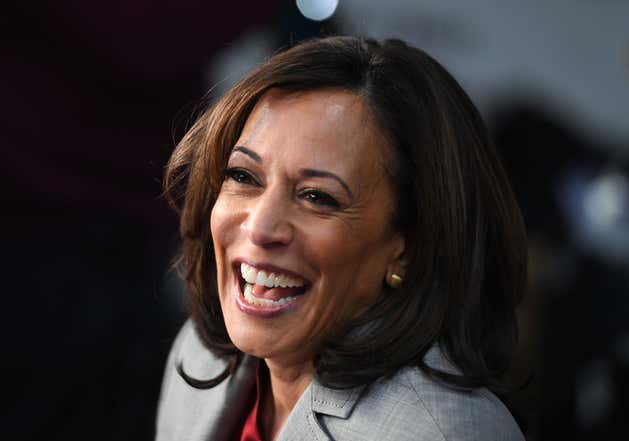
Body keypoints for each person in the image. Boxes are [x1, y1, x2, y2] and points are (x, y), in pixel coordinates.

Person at [156, 36, 527, 441]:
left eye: (318, 197)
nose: (260, 227)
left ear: (406, 250)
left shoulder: (440, 433)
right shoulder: (199, 355)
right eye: (243, 176)